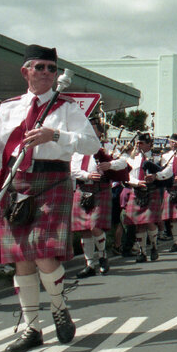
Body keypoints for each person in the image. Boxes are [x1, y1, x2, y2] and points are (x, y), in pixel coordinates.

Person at [0, 44, 100, 352]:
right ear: (25, 71)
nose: (46, 72)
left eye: (51, 68)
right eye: (40, 66)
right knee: (22, 259)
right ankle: (32, 327)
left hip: (52, 180)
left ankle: (58, 308)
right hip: (16, 182)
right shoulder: (10, 107)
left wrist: (55, 136)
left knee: (43, 253)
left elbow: (90, 144)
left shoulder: (67, 108)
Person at [71, 117, 127, 278]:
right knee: (84, 230)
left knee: (94, 226)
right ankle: (90, 265)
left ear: (98, 131)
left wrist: (110, 165)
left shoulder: (107, 148)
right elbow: (72, 169)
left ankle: (102, 256)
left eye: (92, 127)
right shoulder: (77, 149)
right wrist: (87, 174)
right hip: (83, 188)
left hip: (101, 188)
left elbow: (123, 163)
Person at [124, 133, 172, 263]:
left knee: (150, 221)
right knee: (139, 223)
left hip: (153, 190)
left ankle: (154, 247)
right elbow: (127, 175)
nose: (138, 145)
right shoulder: (131, 158)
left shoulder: (157, 157)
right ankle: (142, 252)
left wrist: (156, 176)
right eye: (138, 143)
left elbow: (169, 172)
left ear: (149, 144)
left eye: (141, 143)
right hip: (137, 190)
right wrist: (136, 182)